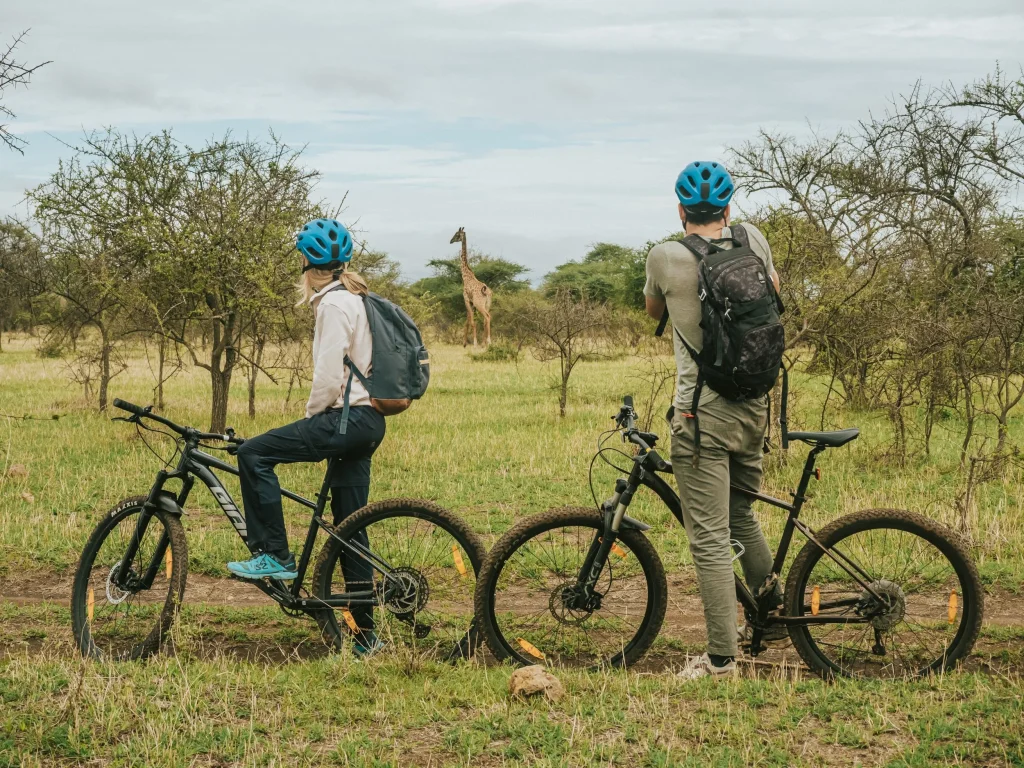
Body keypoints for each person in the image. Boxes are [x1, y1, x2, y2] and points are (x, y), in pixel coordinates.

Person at [643, 162, 782, 680]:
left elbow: (653, 308)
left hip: (701, 412)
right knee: (741, 516)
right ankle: (773, 612)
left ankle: (722, 660)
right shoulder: (754, 238)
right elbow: (772, 289)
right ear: (728, 208)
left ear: (680, 210)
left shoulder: (665, 256)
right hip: (755, 404)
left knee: (708, 538)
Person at [227, 218, 385, 655]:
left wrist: (310, 418)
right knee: (349, 530)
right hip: (369, 420)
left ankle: (274, 555)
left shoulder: (333, 305)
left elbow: (329, 377)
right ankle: (365, 636)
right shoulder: (357, 297)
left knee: (255, 453)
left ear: (306, 262)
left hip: (343, 419)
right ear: (342, 262)